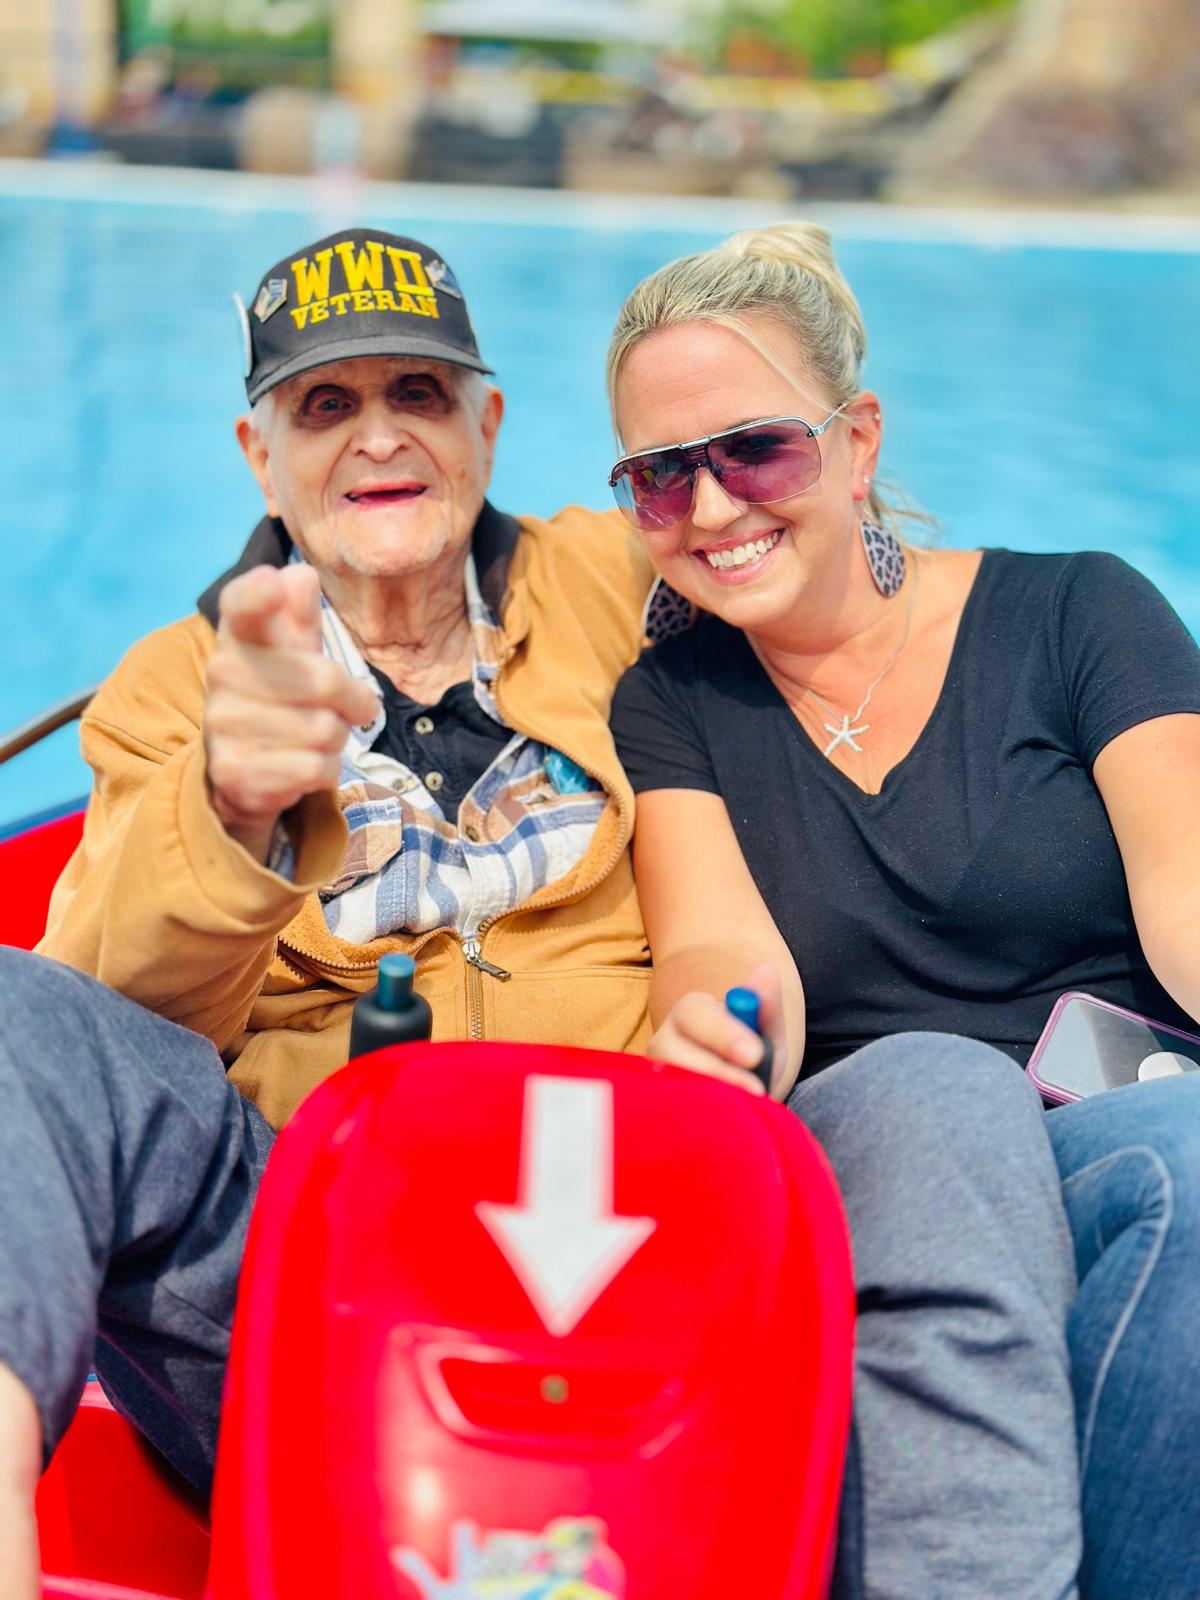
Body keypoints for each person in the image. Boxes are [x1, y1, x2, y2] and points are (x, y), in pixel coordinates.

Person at [0, 226, 655, 1596]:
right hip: (304, 1289)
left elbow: (806, 571)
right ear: (261, 456)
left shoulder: (622, 585)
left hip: (640, 1229)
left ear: (486, 425)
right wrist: (229, 804)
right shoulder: (173, 685)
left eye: (418, 393)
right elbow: (100, 1031)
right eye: (324, 404)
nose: (379, 437)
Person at [605, 222, 1200, 1600]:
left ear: (858, 441)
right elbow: (718, 951)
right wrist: (713, 1028)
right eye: (661, 475)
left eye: (758, 451)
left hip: (1112, 1125)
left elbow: (1188, 889)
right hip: (883, 1148)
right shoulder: (673, 705)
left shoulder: (1079, 611)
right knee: (938, 1085)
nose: (713, 509)